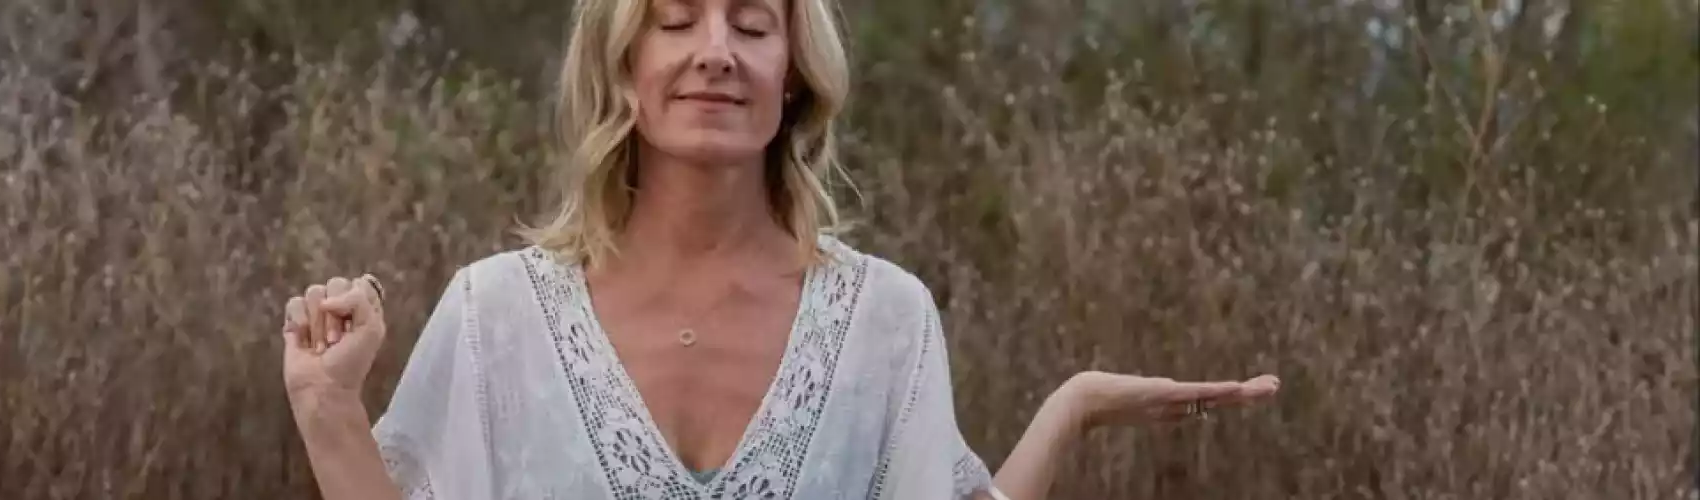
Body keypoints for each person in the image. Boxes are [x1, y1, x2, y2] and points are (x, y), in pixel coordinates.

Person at [277, 0, 1280, 498]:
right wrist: (328, 408)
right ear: (623, 63)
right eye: (677, 19)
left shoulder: (884, 319)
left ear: (794, 71)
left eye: (754, 25)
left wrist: (1070, 410)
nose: (716, 50)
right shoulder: (497, 313)